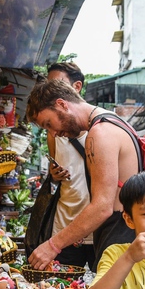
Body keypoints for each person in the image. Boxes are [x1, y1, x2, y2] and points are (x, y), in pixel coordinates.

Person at [25, 78, 139, 271]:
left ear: (61, 104)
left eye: (49, 123)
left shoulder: (100, 133)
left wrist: (52, 245)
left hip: (118, 236)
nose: (53, 134)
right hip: (125, 233)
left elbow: (102, 207)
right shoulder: (115, 122)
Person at [44, 62, 94, 268]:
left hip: (97, 227)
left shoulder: (99, 128)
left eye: (57, 84)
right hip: (64, 227)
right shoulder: (52, 132)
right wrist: (54, 175)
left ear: (77, 87)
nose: (49, 92)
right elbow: (57, 175)